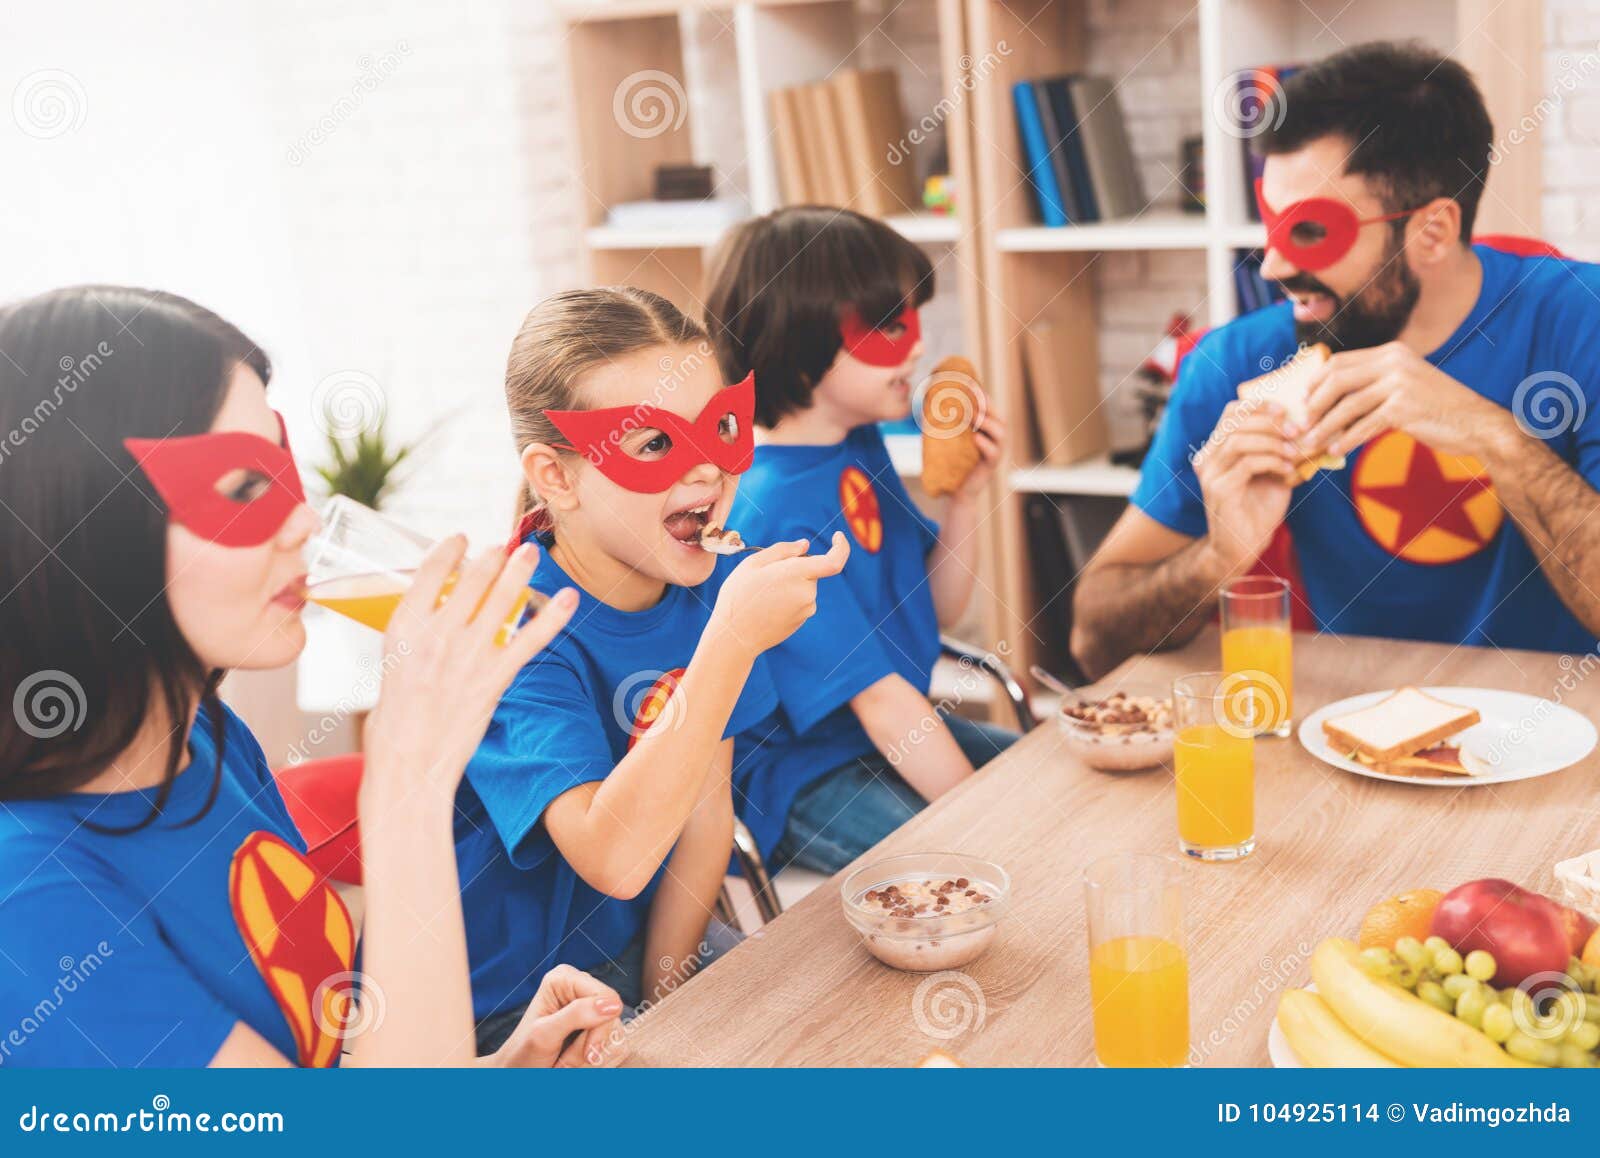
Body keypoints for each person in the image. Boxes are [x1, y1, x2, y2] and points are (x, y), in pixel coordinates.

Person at [0, 285, 622, 1068]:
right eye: (241, 487)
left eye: (282, 468)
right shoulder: (29, 911)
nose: (301, 519)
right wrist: (408, 784)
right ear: (85, 528)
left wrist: (500, 1071)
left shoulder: (207, 741)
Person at [1071, 41, 1600, 679]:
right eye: (1271, 224)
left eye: (1312, 232)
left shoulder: (1581, 323)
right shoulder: (1238, 365)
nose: (1273, 266)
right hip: (1354, 736)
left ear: (1431, 232)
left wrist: (1497, 439)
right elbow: (1092, 643)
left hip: (1562, 736)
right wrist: (1217, 559)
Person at [461, 287, 849, 1054]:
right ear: (558, 476)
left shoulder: (695, 592)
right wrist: (731, 644)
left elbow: (703, 833)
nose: (706, 468)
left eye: (721, 428)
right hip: (504, 1011)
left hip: (632, 959)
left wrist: (667, 1005)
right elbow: (614, 859)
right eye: (653, 444)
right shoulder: (513, 630)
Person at [703, 207, 1016, 875]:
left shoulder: (859, 443)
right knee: (962, 862)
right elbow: (879, 702)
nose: (917, 347)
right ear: (802, 340)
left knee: (1042, 780)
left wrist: (965, 495)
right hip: (805, 773)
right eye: (886, 327)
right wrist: (989, 826)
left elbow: (943, 608)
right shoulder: (774, 512)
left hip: (882, 734)